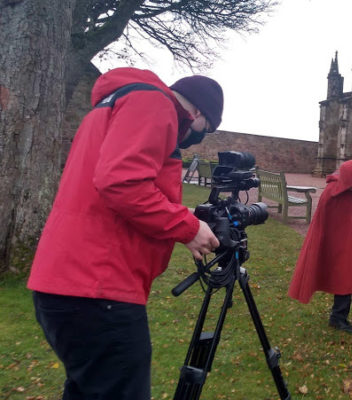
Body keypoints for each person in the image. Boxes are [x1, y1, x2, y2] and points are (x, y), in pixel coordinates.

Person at [27, 67, 224, 399]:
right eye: (208, 129)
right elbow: (121, 182)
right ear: (200, 113)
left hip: (65, 283)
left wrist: (183, 215)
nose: (198, 137)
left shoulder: (111, 105)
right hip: (98, 287)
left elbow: (106, 187)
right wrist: (187, 228)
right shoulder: (155, 104)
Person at [288, 160, 352, 333]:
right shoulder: (331, 192)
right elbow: (323, 222)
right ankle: (338, 317)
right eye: (351, 186)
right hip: (342, 236)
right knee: (344, 273)